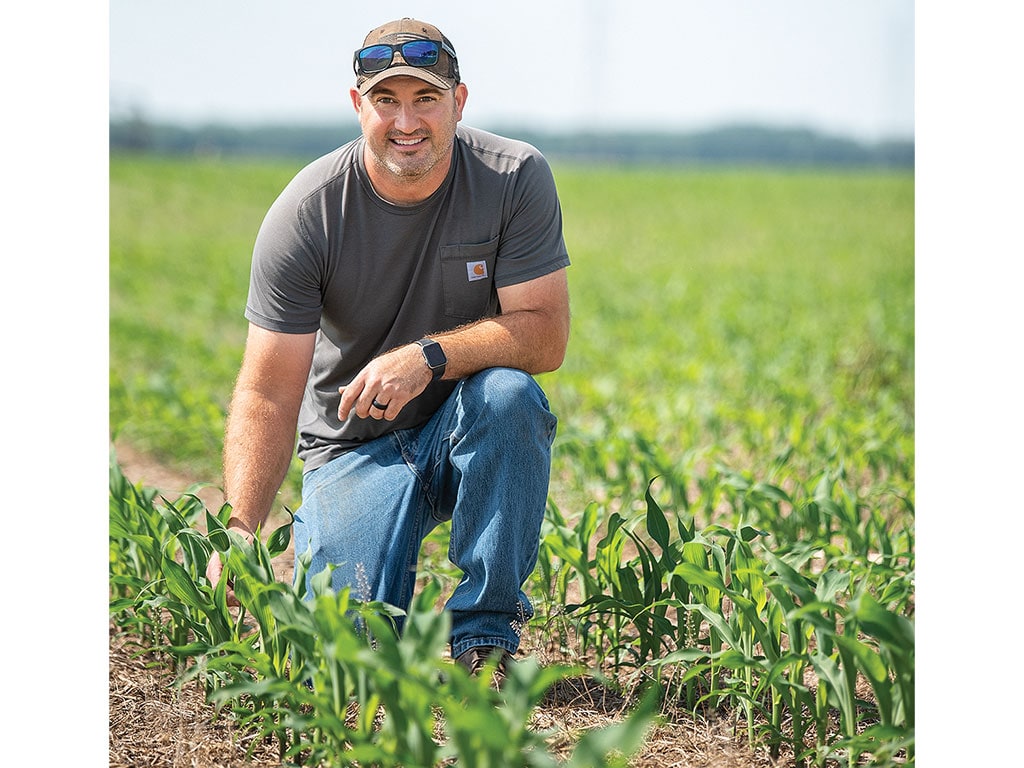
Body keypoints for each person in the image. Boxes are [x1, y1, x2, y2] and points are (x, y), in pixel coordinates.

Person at [205, 17, 571, 681]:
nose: (406, 122)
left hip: (465, 421)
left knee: (511, 395)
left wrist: (426, 357)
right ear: (357, 105)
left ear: (459, 103)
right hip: (353, 448)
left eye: (426, 99)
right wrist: (241, 529)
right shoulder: (309, 212)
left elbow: (543, 332)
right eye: (386, 100)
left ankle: (485, 639)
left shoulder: (514, 177)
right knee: (349, 658)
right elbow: (268, 388)